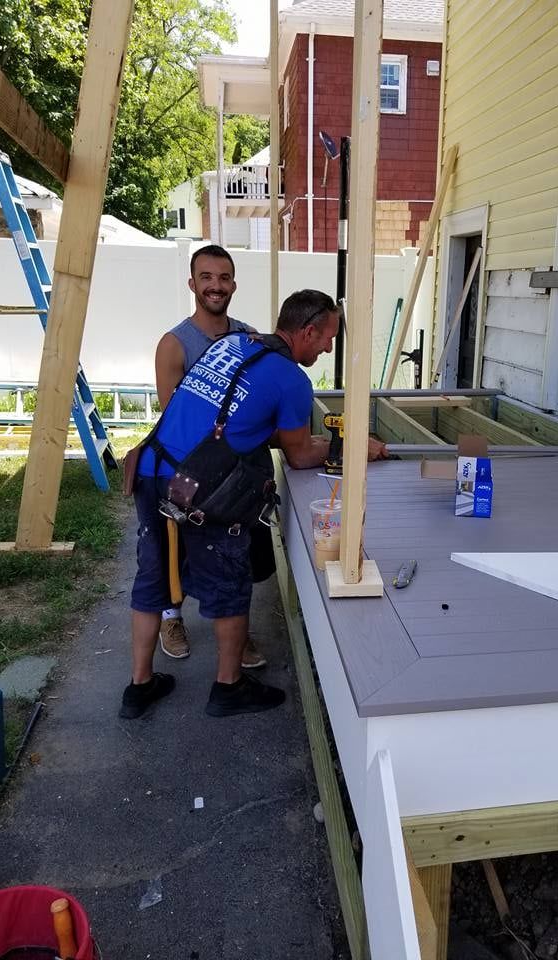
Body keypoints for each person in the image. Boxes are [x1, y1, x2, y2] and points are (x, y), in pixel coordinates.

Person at [120, 289, 388, 720]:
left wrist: (320, 441)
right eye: (328, 338)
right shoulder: (292, 380)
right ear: (307, 331)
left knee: (152, 577)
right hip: (198, 488)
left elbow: (244, 420)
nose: (328, 348)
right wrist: (352, 448)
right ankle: (229, 688)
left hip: (152, 469)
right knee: (228, 579)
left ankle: (139, 687)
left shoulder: (233, 344)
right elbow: (299, 455)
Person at [155, 244, 266, 668]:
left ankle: (237, 629)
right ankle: (171, 616)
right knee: (176, 541)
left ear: (233, 284)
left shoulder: (248, 338)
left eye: (223, 278)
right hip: (189, 466)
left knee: (235, 551)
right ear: (192, 284)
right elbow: (174, 421)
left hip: (239, 472)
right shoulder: (174, 344)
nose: (215, 286)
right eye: (206, 278)